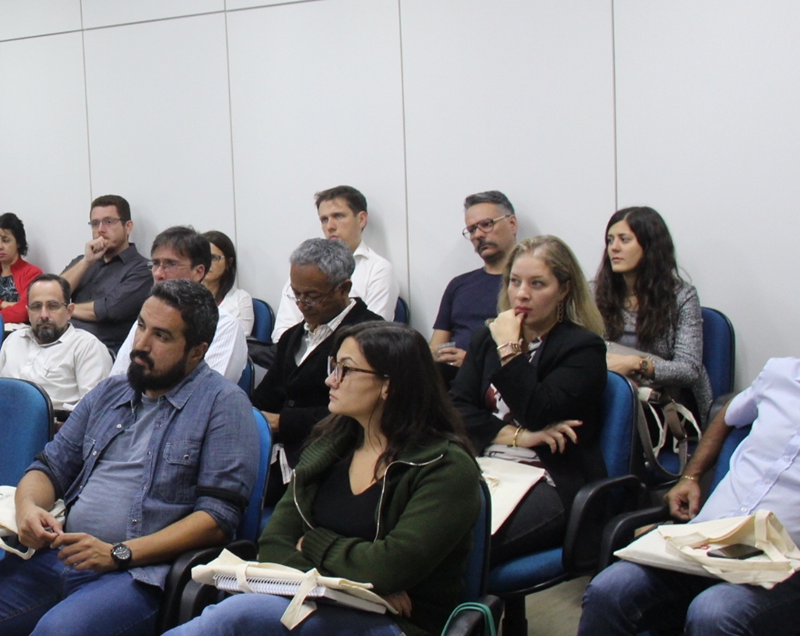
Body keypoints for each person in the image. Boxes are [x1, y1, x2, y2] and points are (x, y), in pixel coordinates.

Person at [0, 279, 259, 635]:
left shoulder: (223, 404)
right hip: (60, 556)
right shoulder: (112, 391)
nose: (140, 344)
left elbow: (217, 519)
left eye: (162, 336)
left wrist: (119, 552)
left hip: (139, 574)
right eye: (140, 326)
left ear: (197, 351)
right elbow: (48, 467)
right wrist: (28, 508)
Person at [168, 323, 482, 636]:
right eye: (334, 366)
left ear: (389, 385)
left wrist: (311, 542)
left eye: (345, 370)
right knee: (232, 615)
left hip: (399, 624)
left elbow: (388, 567)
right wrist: (349, 592)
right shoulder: (330, 446)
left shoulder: (445, 468)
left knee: (234, 618)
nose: (330, 380)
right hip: (321, 602)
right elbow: (275, 543)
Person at [578, 276, 800, 636]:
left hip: (798, 572)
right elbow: (726, 415)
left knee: (715, 613)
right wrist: (691, 475)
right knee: (609, 589)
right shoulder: (782, 374)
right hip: (706, 545)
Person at [450, 236, 607, 562]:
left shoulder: (583, 348)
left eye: (537, 284)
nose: (522, 294)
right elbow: (456, 408)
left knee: (463, 552)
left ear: (563, 289)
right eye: (515, 282)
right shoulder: (485, 338)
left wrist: (509, 351)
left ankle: (471, 614)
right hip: (485, 466)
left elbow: (538, 410)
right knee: (423, 536)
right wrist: (522, 437)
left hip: (548, 478)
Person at [253, 238, 386, 484]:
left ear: (344, 288)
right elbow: (266, 395)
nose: (302, 305)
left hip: (333, 457)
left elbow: (363, 412)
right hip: (279, 452)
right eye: (296, 294)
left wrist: (283, 422)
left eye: (312, 296)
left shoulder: (371, 336)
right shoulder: (292, 336)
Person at [594, 206, 712, 416]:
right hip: (609, 391)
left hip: (664, 403)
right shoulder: (594, 291)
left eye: (624, 239)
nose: (614, 248)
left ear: (649, 246)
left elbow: (689, 370)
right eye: (610, 240)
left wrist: (635, 364)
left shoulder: (682, 297)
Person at [106, 226, 248, 383]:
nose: (158, 274)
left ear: (198, 272)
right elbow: (116, 381)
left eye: (170, 264)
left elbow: (206, 395)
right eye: (155, 263)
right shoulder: (148, 317)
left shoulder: (225, 326)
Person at [272, 186, 399, 341]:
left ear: (361, 219)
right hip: (299, 351)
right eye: (324, 219)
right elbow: (282, 331)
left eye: (338, 216)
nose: (330, 226)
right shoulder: (306, 268)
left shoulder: (377, 269)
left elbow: (371, 334)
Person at [0, 274, 113, 415]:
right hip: (2, 423)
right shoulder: (14, 340)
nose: (44, 315)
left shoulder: (87, 347)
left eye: (52, 306)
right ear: (28, 312)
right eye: (36, 307)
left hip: (54, 431)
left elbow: (95, 412)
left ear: (69, 311)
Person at [432, 190, 520, 370]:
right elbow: (435, 346)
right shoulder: (459, 285)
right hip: (452, 380)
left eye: (486, 224)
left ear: (512, 223)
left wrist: (472, 363)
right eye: (472, 230)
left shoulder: (526, 287)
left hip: (499, 378)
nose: (478, 235)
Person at [63, 195, 154, 354]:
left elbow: (107, 309)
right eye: (95, 223)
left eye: (108, 222)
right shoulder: (83, 261)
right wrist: (86, 262)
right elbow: (51, 292)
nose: (100, 230)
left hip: (102, 350)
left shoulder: (143, 269)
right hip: (64, 341)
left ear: (128, 227)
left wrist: (60, 309)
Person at [202, 230, 254, 337]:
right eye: (202, 257)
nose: (207, 263)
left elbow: (240, 337)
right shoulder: (186, 295)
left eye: (213, 258)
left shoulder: (241, 299)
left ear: (229, 263)